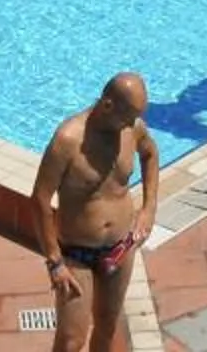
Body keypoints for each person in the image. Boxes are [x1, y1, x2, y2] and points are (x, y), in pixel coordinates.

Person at [33, 71, 159, 352]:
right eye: (128, 117)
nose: (133, 124)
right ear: (107, 105)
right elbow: (40, 199)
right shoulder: (68, 140)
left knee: (106, 328)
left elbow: (150, 154)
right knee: (71, 341)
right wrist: (54, 261)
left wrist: (149, 209)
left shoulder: (132, 129)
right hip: (76, 254)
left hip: (120, 248)